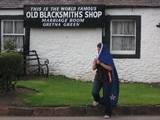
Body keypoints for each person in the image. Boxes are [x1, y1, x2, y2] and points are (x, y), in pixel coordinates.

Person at [92, 42, 119, 119]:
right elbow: (93, 68)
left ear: (103, 50)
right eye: (97, 50)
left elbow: (110, 68)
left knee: (107, 96)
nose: (98, 51)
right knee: (94, 92)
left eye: (99, 50)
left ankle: (108, 113)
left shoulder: (108, 57)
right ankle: (97, 100)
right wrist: (94, 62)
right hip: (98, 77)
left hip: (107, 79)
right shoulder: (97, 57)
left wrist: (100, 63)